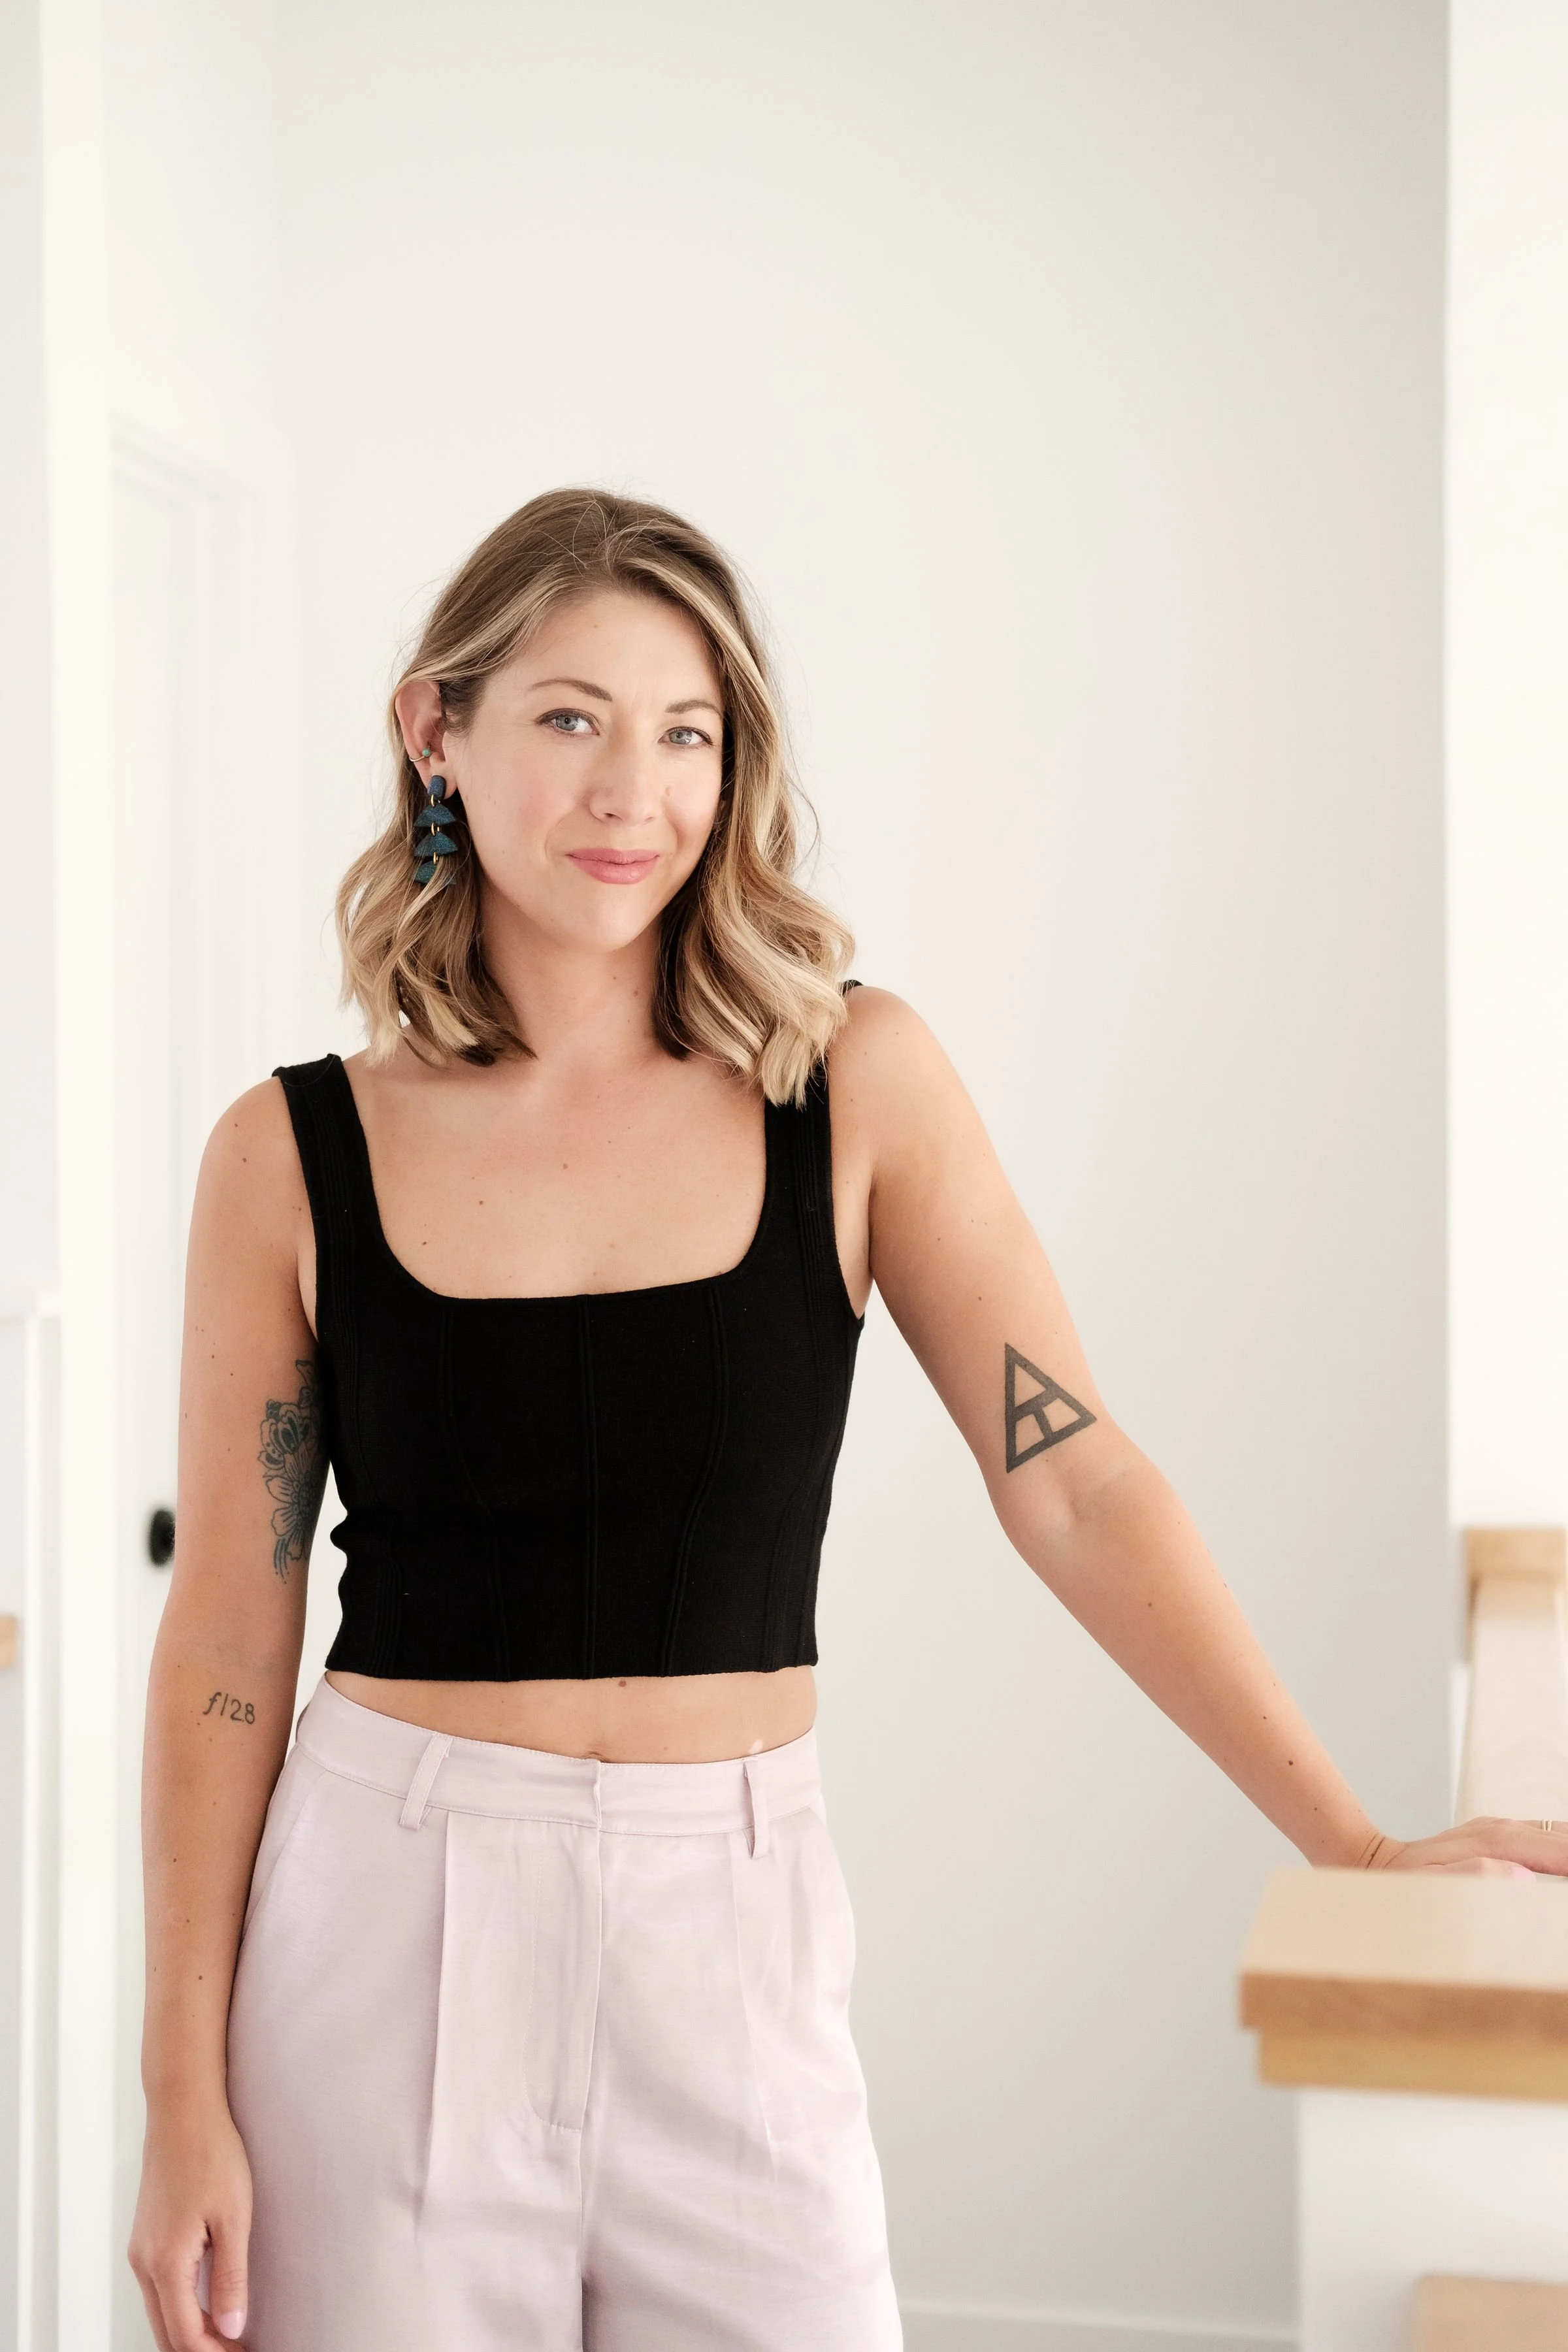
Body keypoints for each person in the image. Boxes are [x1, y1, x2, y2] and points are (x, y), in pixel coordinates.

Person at [128, 488, 1567, 2352]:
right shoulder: (288, 1153)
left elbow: (1074, 1480)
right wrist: (179, 2094)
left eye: (687, 731)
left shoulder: (850, 1083)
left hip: (726, 1931)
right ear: (438, 730)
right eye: (569, 717)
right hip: (381, 1929)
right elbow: (229, 1637)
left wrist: (1356, 1843)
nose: (629, 789)